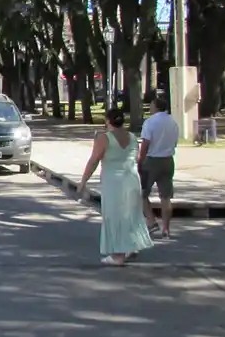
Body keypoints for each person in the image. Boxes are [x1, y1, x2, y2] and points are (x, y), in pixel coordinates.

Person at [76, 106, 154, 265]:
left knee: (114, 215)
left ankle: (118, 255)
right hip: (132, 179)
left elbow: (94, 161)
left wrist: (83, 181)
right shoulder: (132, 137)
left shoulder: (104, 138)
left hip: (114, 182)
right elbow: (136, 158)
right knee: (131, 214)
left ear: (107, 121)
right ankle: (132, 246)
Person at [138, 90, 180, 239]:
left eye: (151, 105)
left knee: (141, 193)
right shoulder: (173, 122)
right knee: (166, 196)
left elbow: (145, 143)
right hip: (168, 160)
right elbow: (175, 142)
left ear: (155, 107)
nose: (150, 107)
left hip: (152, 160)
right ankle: (166, 228)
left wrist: (140, 160)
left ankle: (151, 220)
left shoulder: (150, 122)